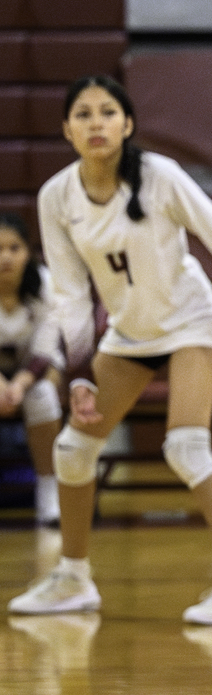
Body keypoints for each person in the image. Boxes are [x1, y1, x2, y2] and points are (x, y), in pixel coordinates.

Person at [8, 76, 212, 623]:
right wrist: (78, 375)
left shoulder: (159, 178)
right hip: (128, 334)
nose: (95, 122)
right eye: (83, 114)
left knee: (187, 447)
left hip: (191, 320)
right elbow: (70, 299)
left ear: (127, 124)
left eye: (107, 112)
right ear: (67, 130)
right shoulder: (56, 197)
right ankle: (73, 578)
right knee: (73, 449)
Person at [0, 213, 64, 525]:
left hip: (34, 370)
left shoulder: (45, 285)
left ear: (28, 252)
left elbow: (44, 352)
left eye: (14, 247)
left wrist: (17, 386)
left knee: (42, 396)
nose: (6, 257)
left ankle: (48, 489)